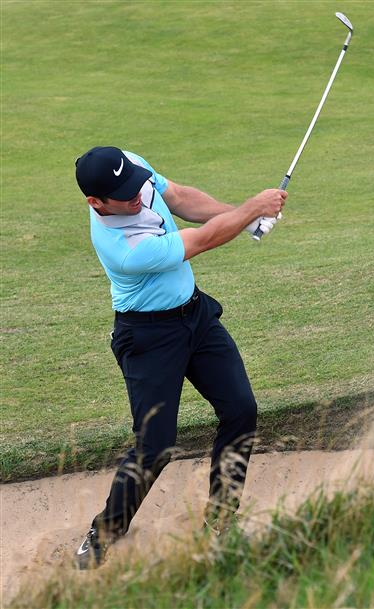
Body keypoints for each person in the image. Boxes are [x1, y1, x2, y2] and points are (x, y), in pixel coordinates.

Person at [72, 146, 286, 569]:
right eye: (123, 194)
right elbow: (202, 240)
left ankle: (220, 521)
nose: (135, 193)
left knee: (241, 409)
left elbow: (181, 198)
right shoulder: (123, 247)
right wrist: (250, 209)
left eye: (134, 183)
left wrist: (246, 216)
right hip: (148, 338)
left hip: (195, 315)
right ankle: (105, 532)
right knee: (155, 446)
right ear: (96, 202)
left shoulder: (130, 166)